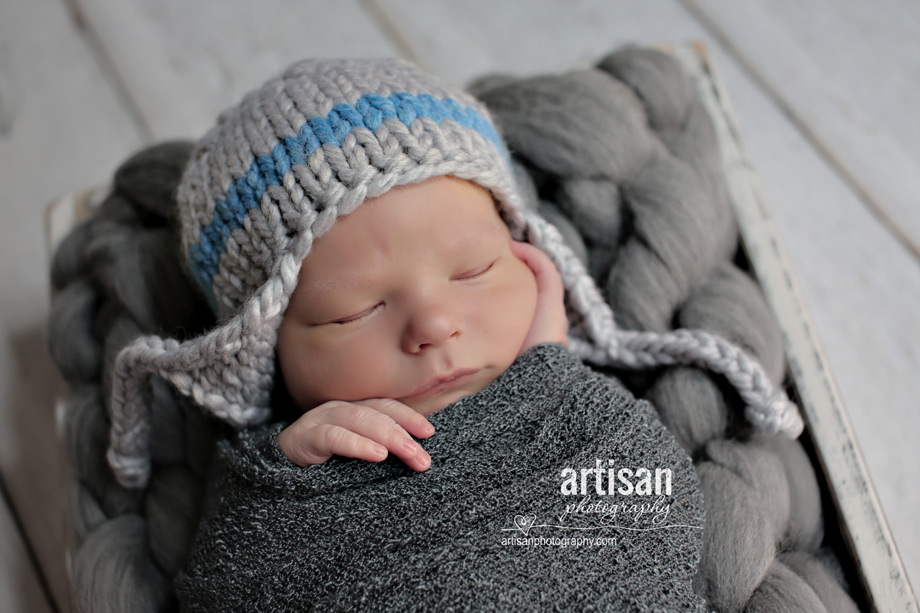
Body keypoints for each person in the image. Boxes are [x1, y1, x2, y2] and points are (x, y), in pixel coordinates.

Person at [103, 57, 802, 611]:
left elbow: (658, 512)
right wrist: (281, 473)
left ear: (530, 251)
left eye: (474, 269)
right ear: (266, 357)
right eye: (352, 312)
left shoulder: (577, 409)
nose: (435, 325)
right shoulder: (290, 464)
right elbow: (226, 589)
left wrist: (552, 379)